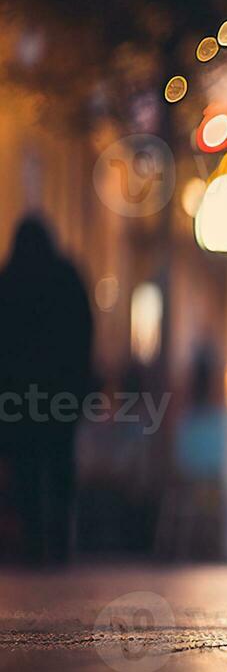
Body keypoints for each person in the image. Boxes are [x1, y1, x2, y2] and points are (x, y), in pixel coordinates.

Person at [0, 218, 95, 565]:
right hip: (61, 395)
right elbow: (84, 335)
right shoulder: (67, 278)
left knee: (26, 467)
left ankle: (34, 539)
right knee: (59, 464)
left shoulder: (9, 280)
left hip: (19, 400)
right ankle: (58, 539)